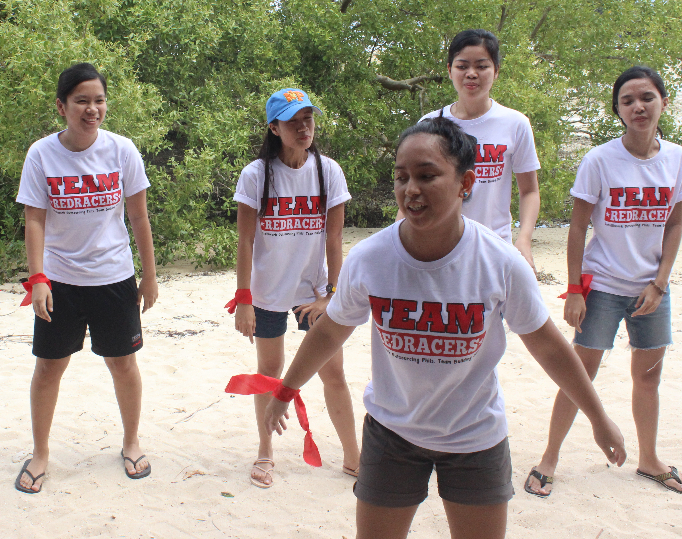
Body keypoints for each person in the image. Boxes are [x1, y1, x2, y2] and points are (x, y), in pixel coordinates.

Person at [263, 116, 626, 539]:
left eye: (427, 175)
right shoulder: (370, 259)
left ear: (465, 183)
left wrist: (598, 418)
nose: (410, 189)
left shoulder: (501, 263)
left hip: (475, 437)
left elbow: (548, 347)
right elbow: (330, 331)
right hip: (391, 434)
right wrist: (285, 391)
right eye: (401, 177)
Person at [526, 66, 682, 497]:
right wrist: (575, 290)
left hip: (651, 289)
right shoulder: (600, 160)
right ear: (617, 109)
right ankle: (549, 458)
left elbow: (675, 224)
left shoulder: (676, 158)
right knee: (579, 375)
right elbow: (577, 227)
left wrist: (660, 283)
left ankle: (649, 459)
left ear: (664, 103)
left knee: (648, 376)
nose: (638, 107)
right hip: (604, 286)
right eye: (627, 100)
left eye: (647, 97)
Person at [14, 62, 158, 493]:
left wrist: (150, 276)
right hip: (60, 280)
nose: (92, 109)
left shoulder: (122, 150)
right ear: (62, 107)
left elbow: (139, 216)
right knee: (49, 367)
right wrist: (38, 278)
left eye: (99, 100)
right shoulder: (42, 154)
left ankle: (131, 442)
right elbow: (34, 219)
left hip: (114, 277)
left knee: (123, 364)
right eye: (81, 101)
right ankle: (40, 453)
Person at [231, 88, 360, 488]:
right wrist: (244, 299)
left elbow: (334, 239)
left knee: (332, 371)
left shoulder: (328, 171)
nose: (304, 128)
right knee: (270, 371)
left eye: (308, 119)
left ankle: (353, 457)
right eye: (293, 122)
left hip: (313, 291)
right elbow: (246, 241)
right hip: (268, 291)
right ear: (274, 128)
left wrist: (332, 294)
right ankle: (265, 451)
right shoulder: (257, 175)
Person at [413, 29, 540, 267]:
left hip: (495, 248)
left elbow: (529, 191)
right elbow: (414, 190)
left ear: (496, 71)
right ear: (449, 70)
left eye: (482, 66)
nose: (471, 74)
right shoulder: (430, 125)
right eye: (462, 66)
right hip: (439, 247)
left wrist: (524, 240)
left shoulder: (515, 123)